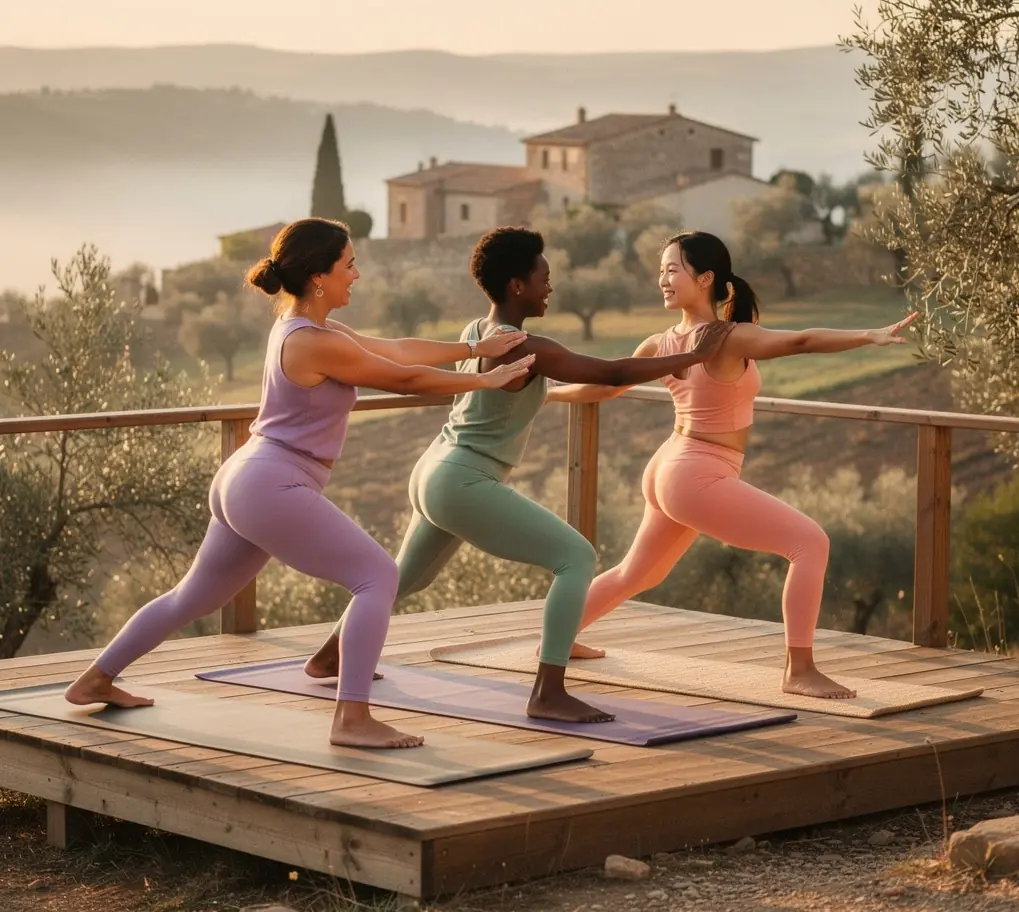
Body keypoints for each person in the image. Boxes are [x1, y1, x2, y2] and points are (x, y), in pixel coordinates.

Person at [65, 217, 536, 749]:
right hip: (271, 483)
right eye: (349, 265)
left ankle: (96, 679)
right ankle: (352, 719)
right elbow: (400, 378)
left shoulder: (309, 328)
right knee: (377, 576)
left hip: (248, 477)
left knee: (190, 597)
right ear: (318, 276)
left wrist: (477, 349)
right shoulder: (314, 342)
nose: (356, 275)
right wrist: (484, 379)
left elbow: (399, 350)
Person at [303, 225, 733, 723]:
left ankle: (330, 655)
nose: (550, 287)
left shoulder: (476, 331)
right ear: (516, 286)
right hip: (461, 479)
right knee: (576, 556)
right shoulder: (527, 347)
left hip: (435, 470)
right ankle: (548, 692)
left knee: (407, 578)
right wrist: (697, 355)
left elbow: (594, 380)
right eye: (543, 278)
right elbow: (611, 372)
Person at [545, 230, 917, 699]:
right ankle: (798, 671)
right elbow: (800, 341)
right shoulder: (727, 338)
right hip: (694, 473)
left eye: (671, 269)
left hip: (671, 467)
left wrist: (547, 394)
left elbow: (605, 385)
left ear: (704, 278)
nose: (661, 279)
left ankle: (558, 637)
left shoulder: (664, 343)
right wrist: (869, 335)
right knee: (810, 543)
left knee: (639, 573)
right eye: (660, 270)